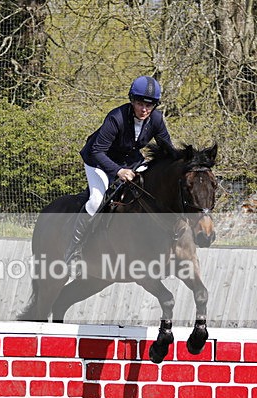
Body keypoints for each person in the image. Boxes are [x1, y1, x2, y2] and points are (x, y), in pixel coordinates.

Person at [65, 75, 175, 271]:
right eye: (140, 103)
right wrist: (118, 171)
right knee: (96, 201)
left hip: (129, 160)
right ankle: (73, 250)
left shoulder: (156, 119)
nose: (144, 109)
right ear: (132, 100)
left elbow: (169, 151)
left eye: (149, 105)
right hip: (98, 161)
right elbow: (97, 151)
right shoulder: (116, 118)